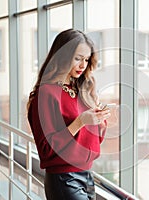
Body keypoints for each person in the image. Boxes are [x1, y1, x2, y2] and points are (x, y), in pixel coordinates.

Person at [27, 29, 111, 200]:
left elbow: (90, 142)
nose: (83, 65)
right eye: (78, 58)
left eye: (86, 59)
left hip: (87, 175)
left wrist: (100, 122)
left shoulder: (81, 90)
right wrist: (80, 122)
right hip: (64, 178)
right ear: (62, 56)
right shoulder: (46, 95)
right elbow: (45, 150)